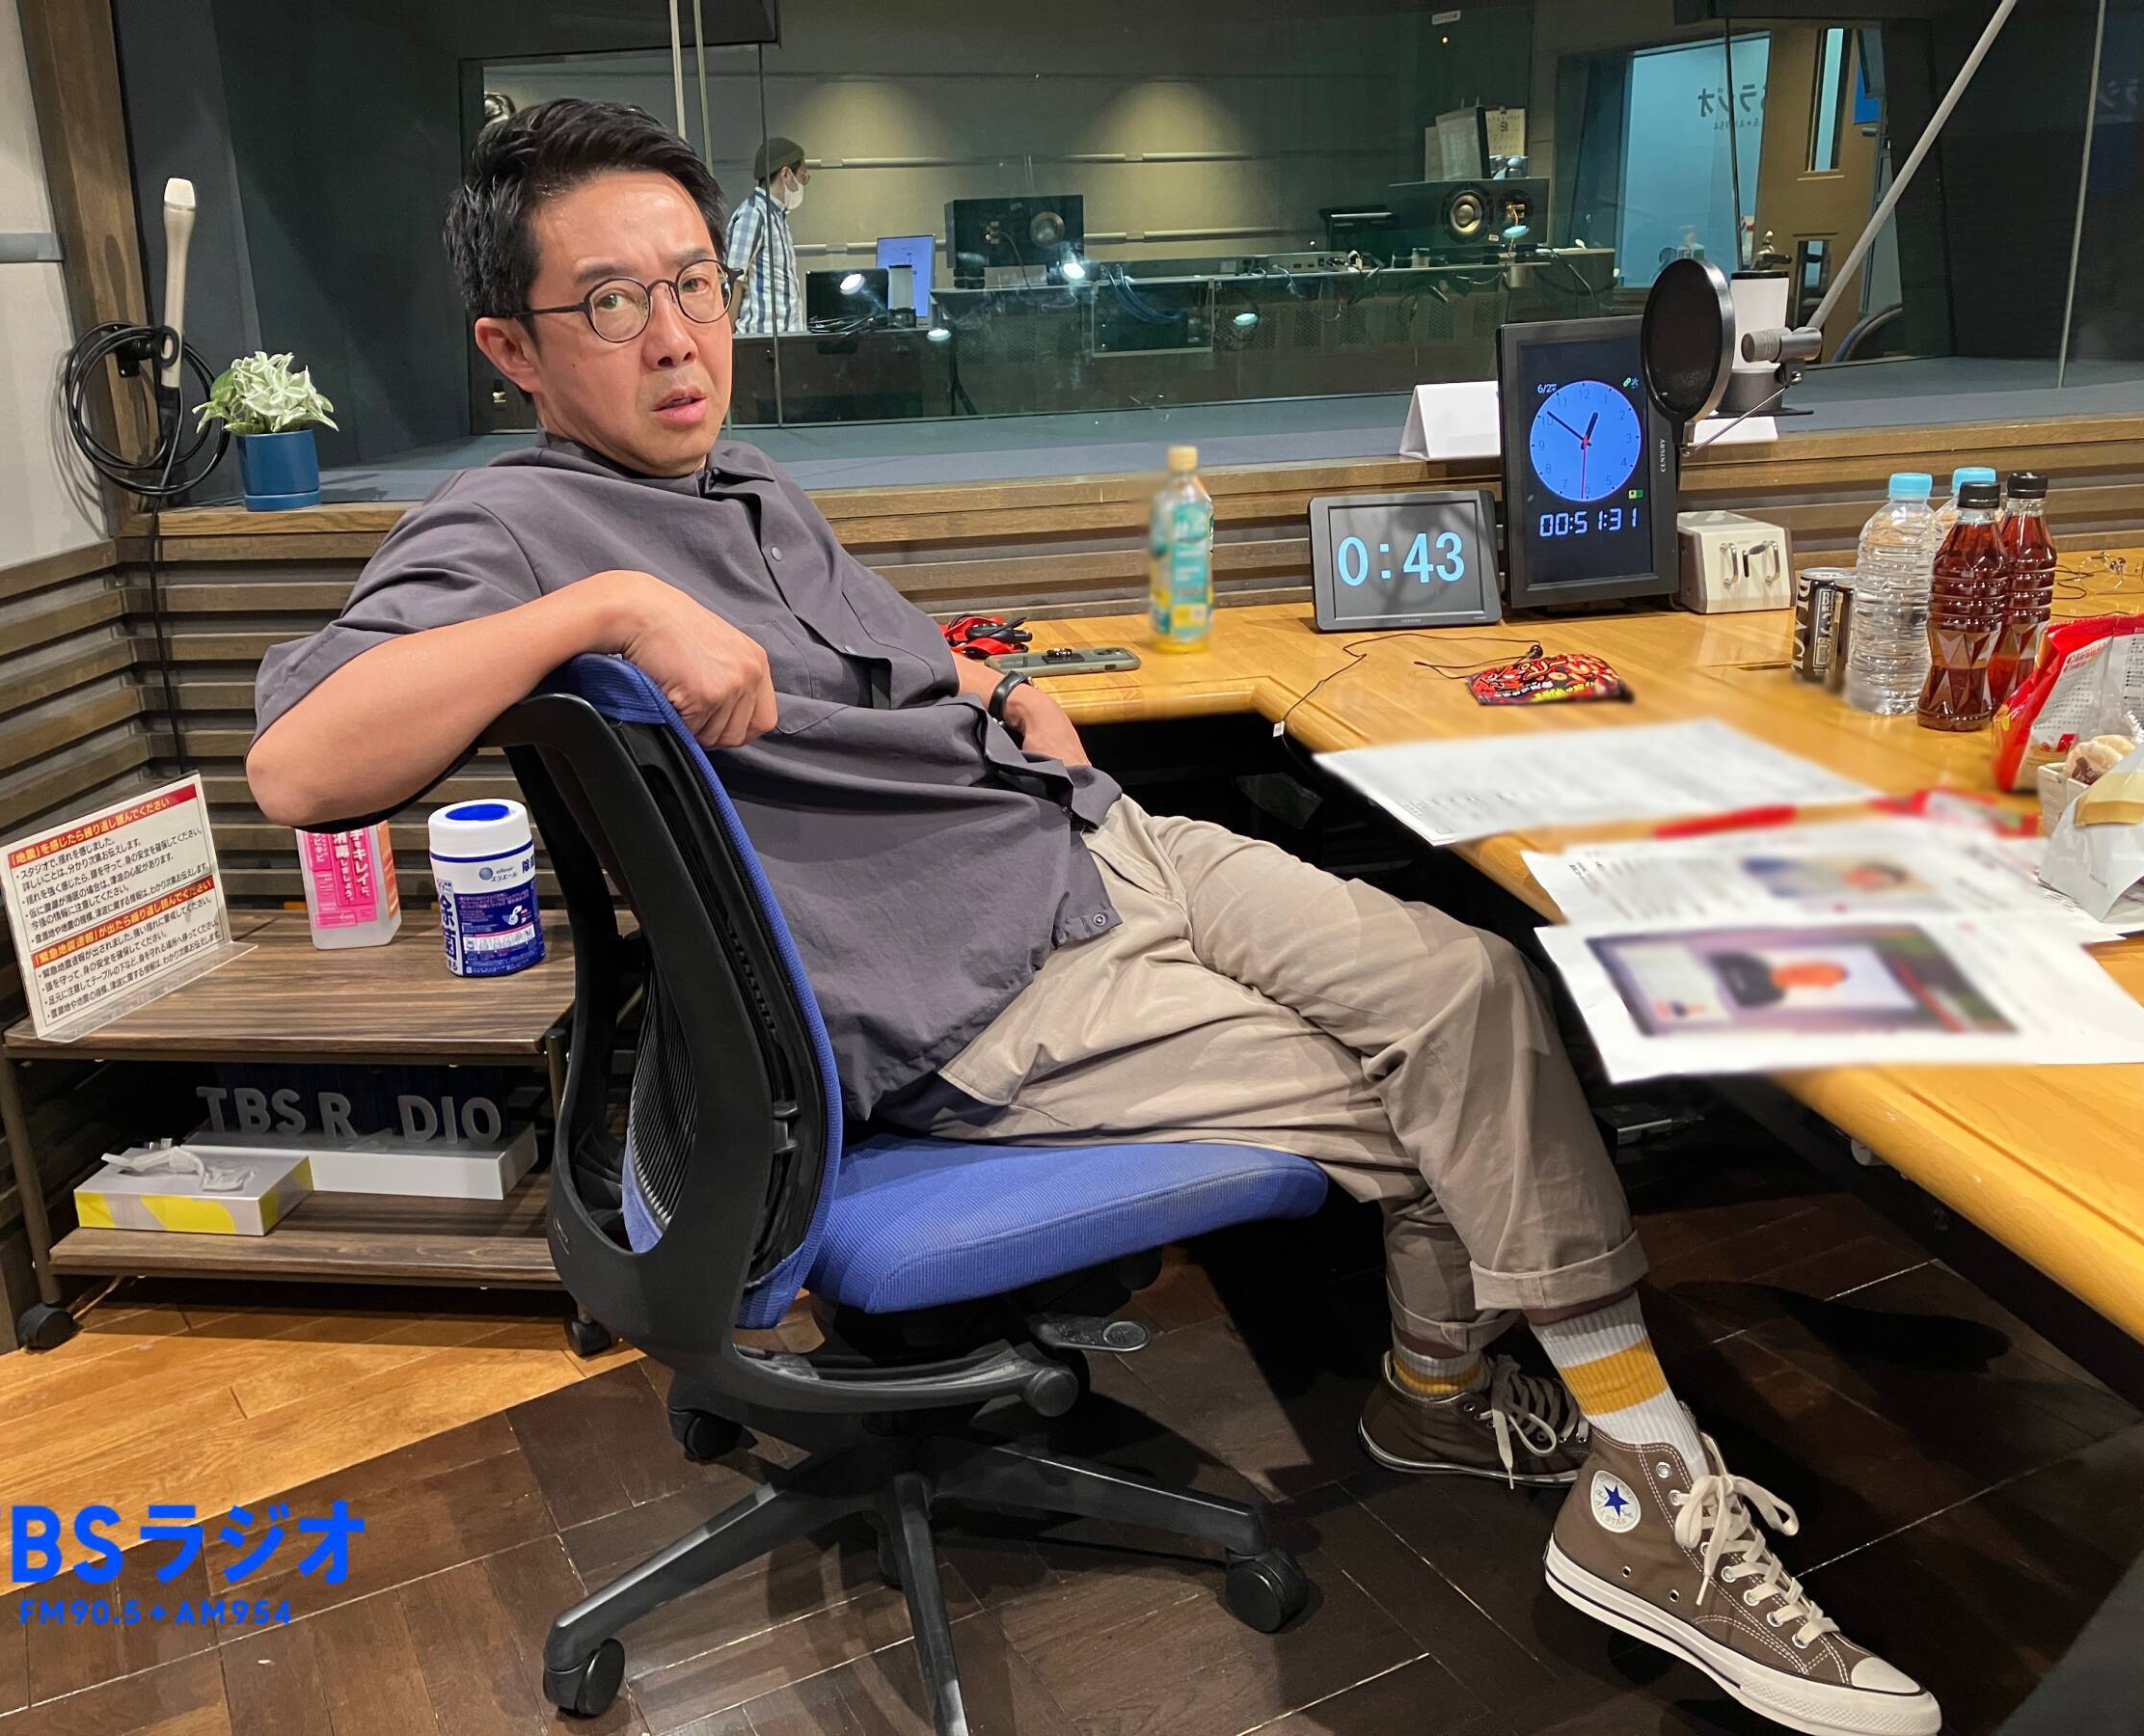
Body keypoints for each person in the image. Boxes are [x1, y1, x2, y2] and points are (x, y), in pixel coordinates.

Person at [246, 98, 1939, 1736]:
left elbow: (865, 666)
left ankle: (1435, 1399)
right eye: (613, 304)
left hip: (1088, 843)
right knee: (1440, 1103)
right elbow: (300, 766)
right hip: (977, 989)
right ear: (515, 350)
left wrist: (996, 692)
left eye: (697, 282)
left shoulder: (742, 482)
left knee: (1470, 982)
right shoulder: (519, 525)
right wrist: (607, 607)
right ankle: (1649, 1489)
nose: (679, 337)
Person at [725, 134, 806, 336]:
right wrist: (728, 341)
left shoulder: (776, 216)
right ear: (786, 174)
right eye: (803, 177)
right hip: (762, 338)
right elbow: (734, 280)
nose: (803, 184)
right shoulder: (753, 214)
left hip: (783, 337)